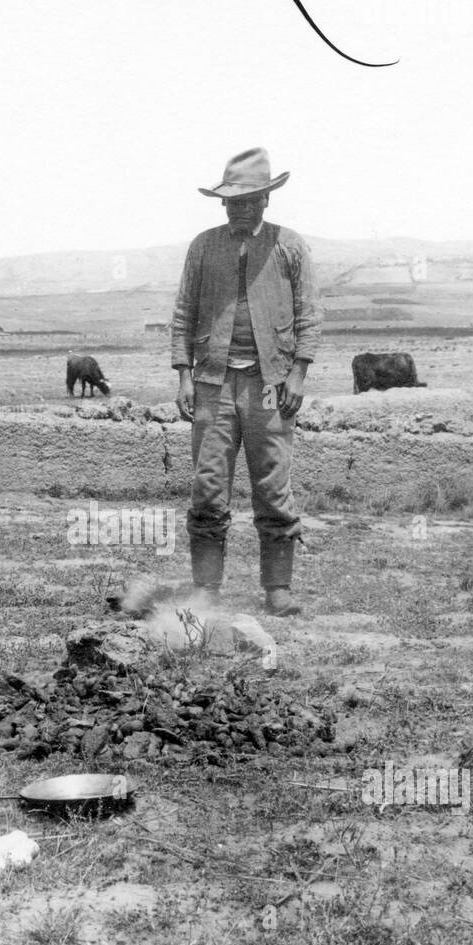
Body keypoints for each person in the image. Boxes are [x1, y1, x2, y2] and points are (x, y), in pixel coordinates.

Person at [171, 147, 322, 615]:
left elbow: (309, 315)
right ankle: (206, 591)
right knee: (208, 484)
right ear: (222, 203)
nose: (241, 208)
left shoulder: (289, 245)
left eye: (250, 200)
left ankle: (278, 590)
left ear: (266, 201)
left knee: (274, 486)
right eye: (233, 201)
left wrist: (297, 374)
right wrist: (183, 376)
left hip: (270, 386)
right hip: (213, 384)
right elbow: (183, 315)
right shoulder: (203, 246)